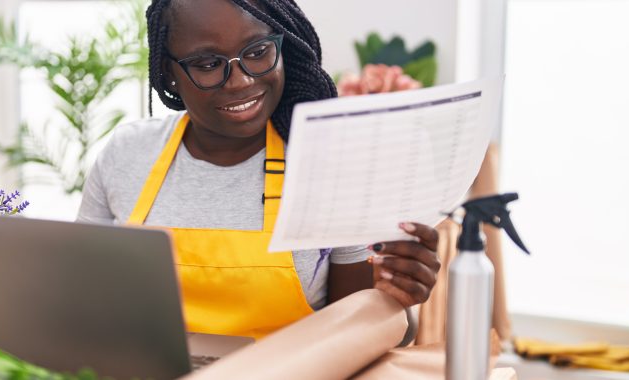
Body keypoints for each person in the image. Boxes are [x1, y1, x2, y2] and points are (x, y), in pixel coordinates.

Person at [77, 0, 440, 339]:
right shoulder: (126, 154)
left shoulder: (328, 166)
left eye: (257, 52)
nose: (241, 81)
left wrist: (396, 299)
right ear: (168, 72)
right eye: (207, 64)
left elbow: (361, 336)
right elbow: (76, 301)